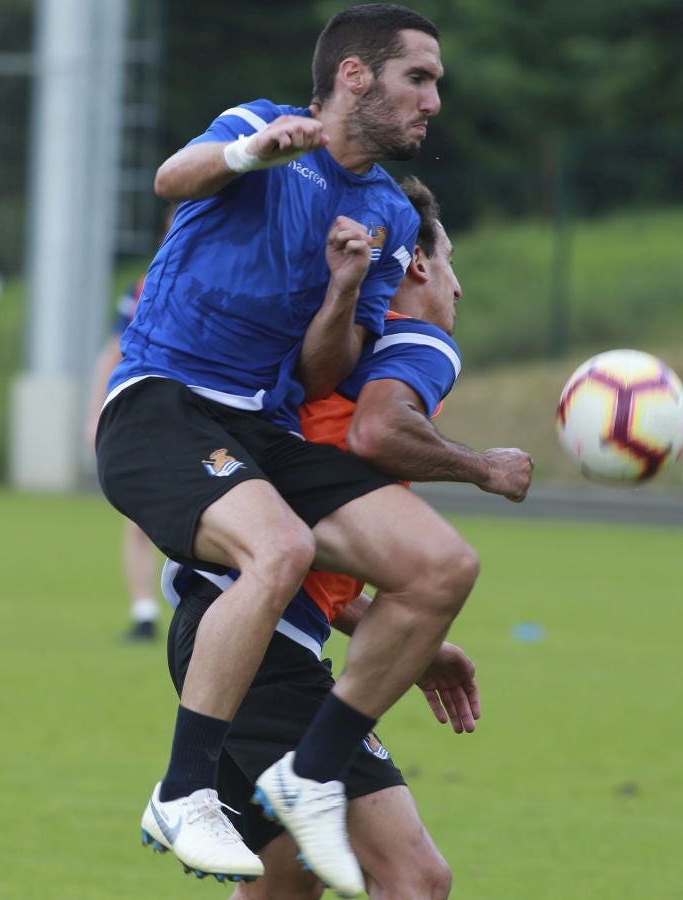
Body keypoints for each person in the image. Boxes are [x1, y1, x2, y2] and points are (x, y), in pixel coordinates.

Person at [95, 6, 473, 894]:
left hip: (257, 428)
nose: (433, 102)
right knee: (282, 547)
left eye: (436, 84)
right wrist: (252, 153)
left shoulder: (383, 213)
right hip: (163, 402)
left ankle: (308, 775)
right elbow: (171, 177)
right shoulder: (257, 124)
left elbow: (321, 367)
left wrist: (344, 287)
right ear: (354, 76)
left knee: (439, 565)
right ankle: (182, 792)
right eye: (418, 79)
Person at [160, 177, 531, 899]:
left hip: (213, 630)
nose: (458, 293)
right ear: (420, 265)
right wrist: (484, 467)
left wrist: (404, 636)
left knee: (284, 885)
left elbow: (299, 543)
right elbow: (381, 430)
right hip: (269, 654)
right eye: (453, 267)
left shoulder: (314, 357)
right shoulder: (417, 340)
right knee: (415, 878)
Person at [85, 208, 176, 642]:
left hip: (201, 416)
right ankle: (143, 610)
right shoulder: (143, 287)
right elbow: (112, 352)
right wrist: (96, 411)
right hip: (146, 413)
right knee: (140, 518)